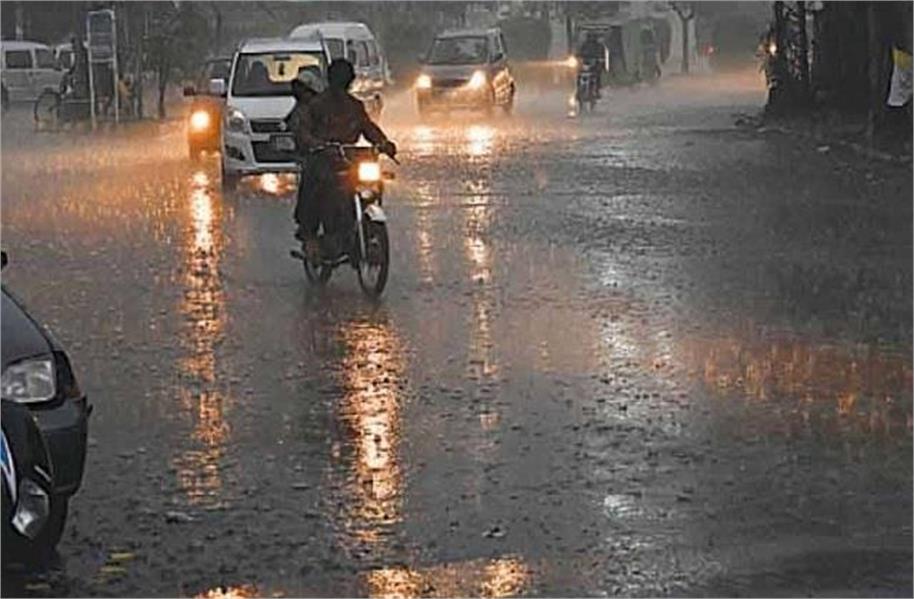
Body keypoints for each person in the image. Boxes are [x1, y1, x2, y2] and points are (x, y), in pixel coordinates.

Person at [296, 59, 396, 257]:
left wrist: (384, 143)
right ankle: (310, 235)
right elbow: (304, 132)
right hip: (323, 159)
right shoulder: (316, 105)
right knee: (315, 185)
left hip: (350, 159)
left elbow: (368, 127)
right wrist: (317, 145)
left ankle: (356, 229)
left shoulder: (355, 106)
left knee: (372, 183)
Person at [286, 70, 325, 247]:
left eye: (304, 89)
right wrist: (315, 144)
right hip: (313, 156)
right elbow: (300, 132)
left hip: (332, 155)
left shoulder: (325, 105)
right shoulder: (300, 111)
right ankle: (308, 228)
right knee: (312, 186)